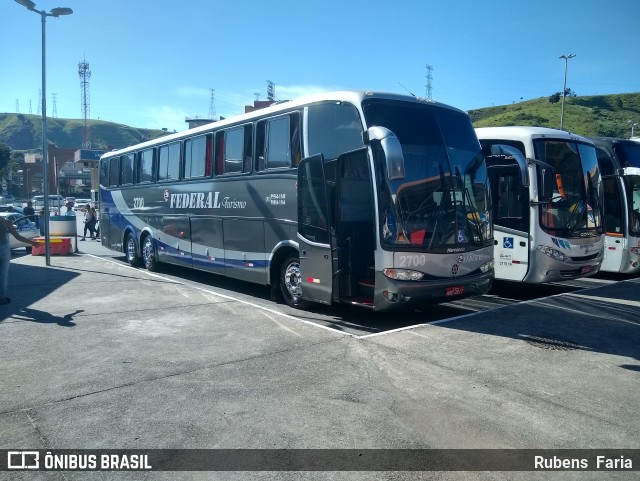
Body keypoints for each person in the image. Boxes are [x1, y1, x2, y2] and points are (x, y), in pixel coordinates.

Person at [0, 217, 37, 305]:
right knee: (3, 275)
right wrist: (32, 243)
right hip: (4, 248)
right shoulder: (5, 222)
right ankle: (1, 298)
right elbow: (18, 237)